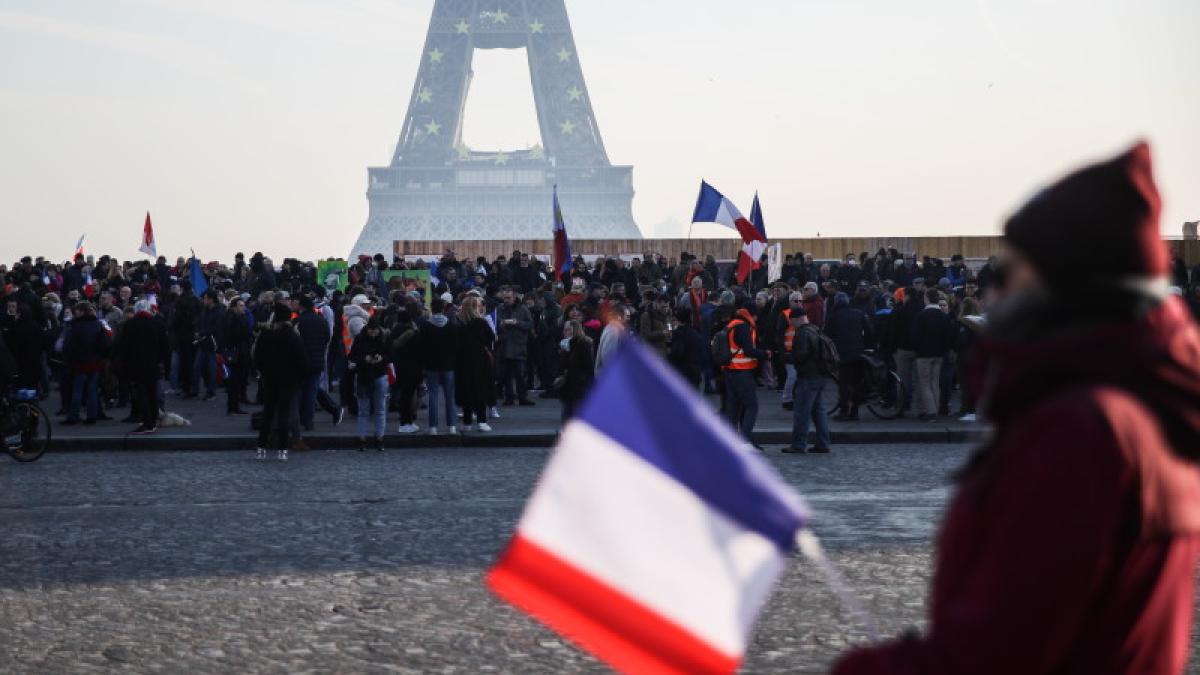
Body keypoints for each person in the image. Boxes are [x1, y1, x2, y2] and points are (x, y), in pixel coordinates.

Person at [834, 142, 1200, 674]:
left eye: (1015, 268)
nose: (998, 286)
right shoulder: (1145, 407)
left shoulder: (1081, 429)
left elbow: (998, 650)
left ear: (1064, 278)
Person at [252, 303, 306, 461]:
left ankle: (261, 448)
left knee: (268, 413)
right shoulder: (294, 336)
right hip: (289, 381)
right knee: (284, 414)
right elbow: (302, 361)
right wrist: (298, 379)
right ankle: (282, 450)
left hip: (269, 379)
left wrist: (263, 372)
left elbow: (257, 357)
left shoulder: (266, 335)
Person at [782, 305, 832, 454]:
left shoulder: (802, 333)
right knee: (819, 412)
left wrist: (787, 357)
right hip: (820, 375)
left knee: (801, 412)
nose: (791, 324)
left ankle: (798, 444)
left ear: (797, 319)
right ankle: (823, 443)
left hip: (808, 377)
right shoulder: (815, 329)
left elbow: (802, 355)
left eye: (791, 321)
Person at [116, 299, 169, 434]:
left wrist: (123, 365)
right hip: (153, 365)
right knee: (152, 393)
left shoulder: (130, 325)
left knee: (141, 393)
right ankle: (154, 419)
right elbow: (165, 346)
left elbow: (123, 347)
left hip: (136, 365)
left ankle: (147, 422)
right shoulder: (157, 324)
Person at [296, 295, 344, 431]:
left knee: (306, 391)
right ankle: (309, 420)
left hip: (302, 361)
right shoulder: (321, 321)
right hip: (317, 360)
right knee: (312, 390)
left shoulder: (299, 322)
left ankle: (306, 420)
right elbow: (327, 337)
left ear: (301, 307)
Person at [724, 307, 770, 445]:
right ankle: (744, 441)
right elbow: (749, 350)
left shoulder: (731, 324)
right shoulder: (743, 327)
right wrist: (765, 354)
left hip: (729, 371)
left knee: (733, 407)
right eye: (756, 317)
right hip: (742, 371)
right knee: (752, 406)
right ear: (752, 315)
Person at [825, 292, 872, 421]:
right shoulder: (858, 313)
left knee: (844, 383)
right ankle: (855, 411)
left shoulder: (833, 316)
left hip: (842, 354)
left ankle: (844, 410)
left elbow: (827, 336)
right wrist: (865, 346)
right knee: (857, 382)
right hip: (858, 353)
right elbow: (869, 331)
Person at [62, 301, 110, 425]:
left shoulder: (75, 326)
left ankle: (73, 416)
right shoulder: (98, 324)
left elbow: (69, 346)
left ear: (82, 311)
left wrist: (69, 359)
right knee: (92, 389)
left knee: (77, 389)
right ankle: (92, 416)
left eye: (77, 310)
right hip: (95, 361)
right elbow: (105, 344)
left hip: (80, 361)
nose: (75, 312)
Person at [910, 288, 954, 420]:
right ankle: (936, 407)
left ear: (927, 298)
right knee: (935, 382)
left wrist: (916, 348)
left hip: (923, 354)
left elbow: (915, 336)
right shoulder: (943, 316)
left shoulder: (921, 315)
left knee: (924, 383)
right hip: (939, 353)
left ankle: (931, 411)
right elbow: (948, 337)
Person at [348, 316, 389, 451]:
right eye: (371, 330)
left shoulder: (382, 338)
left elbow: (391, 355)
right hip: (366, 376)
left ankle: (379, 438)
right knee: (365, 410)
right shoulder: (360, 338)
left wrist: (381, 358)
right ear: (367, 329)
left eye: (375, 330)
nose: (373, 333)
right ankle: (363, 440)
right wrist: (364, 359)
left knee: (379, 410)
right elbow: (352, 356)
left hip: (378, 375)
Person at [419, 297, 459, 435]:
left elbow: (422, 346)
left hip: (431, 364)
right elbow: (455, 346)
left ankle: (433, 427)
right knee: (449, 395)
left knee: (433, 396)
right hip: (448, 364)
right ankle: (452, 426)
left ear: (432, 309)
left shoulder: (425, 326)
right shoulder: (451, 326)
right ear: (443, 309)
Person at [456, 296, 495, 432]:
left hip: (463, 360)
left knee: (466, 389)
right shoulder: (481, 322)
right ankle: (481, 420)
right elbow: (491, 337)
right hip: (480, 359)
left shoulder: (459, 323)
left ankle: (467, 421)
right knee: (480, 389)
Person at [494, 286, 534, 406]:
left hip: (518, 345)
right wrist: (502, 324)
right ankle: (509, 397)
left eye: (509, 298)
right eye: (505, 298)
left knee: (520, 374)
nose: (506, 300)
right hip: (504, 345)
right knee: (506, 375)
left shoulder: (523, 309)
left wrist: (518, 323)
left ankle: (522, 397)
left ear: (514, 297)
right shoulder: (500, 308)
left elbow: (530, 324)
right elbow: (495, 323)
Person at [389, 309, 424, 434]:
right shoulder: (414, 332)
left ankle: (406, 422)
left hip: (398, 367)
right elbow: (420, 351)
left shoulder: (394, 331)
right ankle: (406, 422)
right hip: (413, 367)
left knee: (404, 395)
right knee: (408, 396)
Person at [556, 319, 595, 421]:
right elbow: (562, 366)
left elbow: (588, 367)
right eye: (564, 330)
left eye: (567, 330)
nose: (564, 332)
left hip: (578, 387)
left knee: (572, 416)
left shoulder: (584, 344)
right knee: (567, 416)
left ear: (575, 330)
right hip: (569, 387)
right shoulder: (566, 344)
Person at [221, 296, 253, 416]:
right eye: (240, 306)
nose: (243, 308)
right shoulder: (234, 319)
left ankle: (234, 405)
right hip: (237, 352)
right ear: (234, 307)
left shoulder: (234, 317)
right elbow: (244, 333)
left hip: (237, 351)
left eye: (243, 305)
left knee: (235, 380)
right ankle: (233, 406)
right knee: (235, 380)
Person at [775, 292, 806, 410]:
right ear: (790, 302)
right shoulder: (785, 315)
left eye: (800, 301)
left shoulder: (804, 313)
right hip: (789, 350)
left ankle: (794, 398)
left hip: (801, 350)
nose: (798, 303)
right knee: (792, 376)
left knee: (798, 376)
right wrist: (782, 351)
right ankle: (787, 399)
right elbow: (780, 334)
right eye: (796, 301)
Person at [191, 289, 223, 401]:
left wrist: (202, 333)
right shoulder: (204, 310)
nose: (203, 300)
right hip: (202, 343)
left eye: (205, 298)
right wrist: (196, 331)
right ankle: (195, 390)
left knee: (211, 369)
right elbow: (199, 322)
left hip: (212, 344)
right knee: (196, 367)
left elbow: (216, 328)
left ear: (211, 299)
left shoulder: (219, 312)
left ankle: (211, 392)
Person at [666, 307, 705, 388]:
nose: (673, 323)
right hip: (695, 372)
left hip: (683, 372)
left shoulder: (679, 334)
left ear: (679, 321)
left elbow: (677, 352)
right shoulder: (696, 334)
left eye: (674, 320)